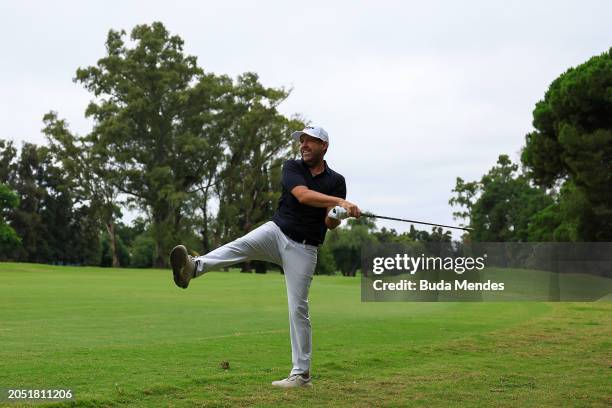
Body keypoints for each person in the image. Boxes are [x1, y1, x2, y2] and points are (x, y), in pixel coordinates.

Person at [169, 125, 361, 388]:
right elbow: (303, 196)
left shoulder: (336, 181)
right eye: (301, 141)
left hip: (305, 248)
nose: (303, 145)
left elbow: (329, 223)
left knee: (298, 309)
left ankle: (302, 375)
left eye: (310, 141)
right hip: (277, 232)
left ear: (324, 146)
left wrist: (338, 213)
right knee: (239, 245)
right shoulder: (292, 167)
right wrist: (339, 202)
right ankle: (193, 267)